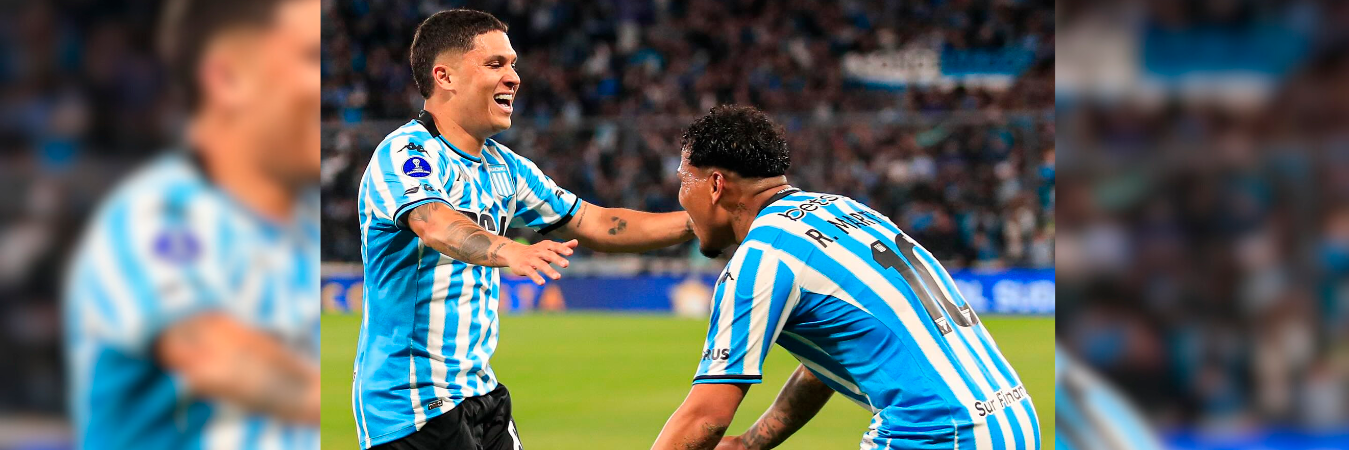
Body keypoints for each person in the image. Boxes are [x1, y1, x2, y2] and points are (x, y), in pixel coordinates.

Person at [352, 9, 693, 450]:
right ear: (445, 76)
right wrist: (508, 250)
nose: (514, 77)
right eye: (496, 64)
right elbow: (433, 222)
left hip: (480, 394)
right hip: (413, 405)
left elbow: (595, 222)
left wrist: (700, 223)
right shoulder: (405, 152)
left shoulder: (506, 167)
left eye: (513, 64)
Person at [651, 105, 1041, 450]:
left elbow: (707, 418)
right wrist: (752, 443)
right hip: (1013, 419)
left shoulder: (761, 258)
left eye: (686, 181)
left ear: (717, 185)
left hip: (935, 433)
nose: (682, 196)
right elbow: (827, 362)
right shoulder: (845, 209)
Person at [63, 0, 322, 448]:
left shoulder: (307, 230)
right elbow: (210, 353)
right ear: (229, 79)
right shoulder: (158, 213)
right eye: (314, 57)